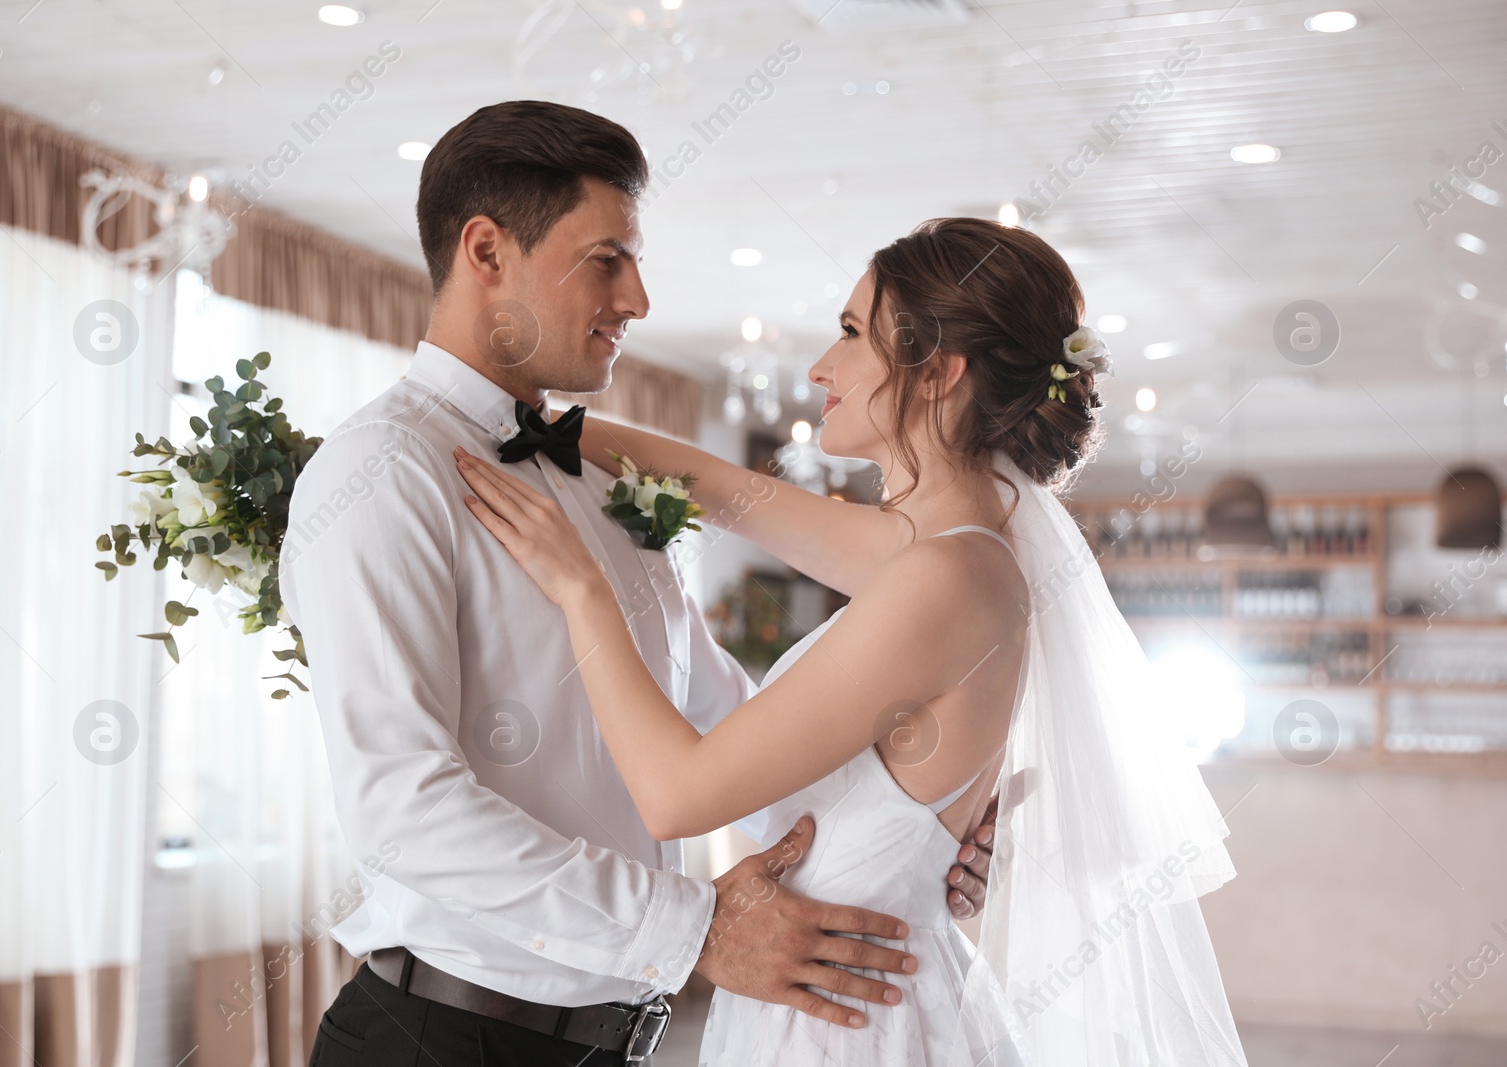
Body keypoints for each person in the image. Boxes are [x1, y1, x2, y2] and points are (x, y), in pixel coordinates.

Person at [281, 101, 993, 1067]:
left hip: (617, 1044)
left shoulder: (604, 480)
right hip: (440, 1040)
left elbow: (719, 720)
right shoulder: (380, 472)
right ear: (486, 253)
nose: (639, 299)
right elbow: (402, 809)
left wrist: (914, 813)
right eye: (607, 258)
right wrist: (694, 928)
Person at [454, 216, 1250, 1064]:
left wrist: (582, 590)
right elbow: (722, 486)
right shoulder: (943, 550)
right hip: (840, 990)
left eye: (849, 333)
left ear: (938, 371)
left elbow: (677, 795)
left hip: (848, 1017)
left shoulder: (947, 579)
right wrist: (528, 428)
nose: (820, 367)